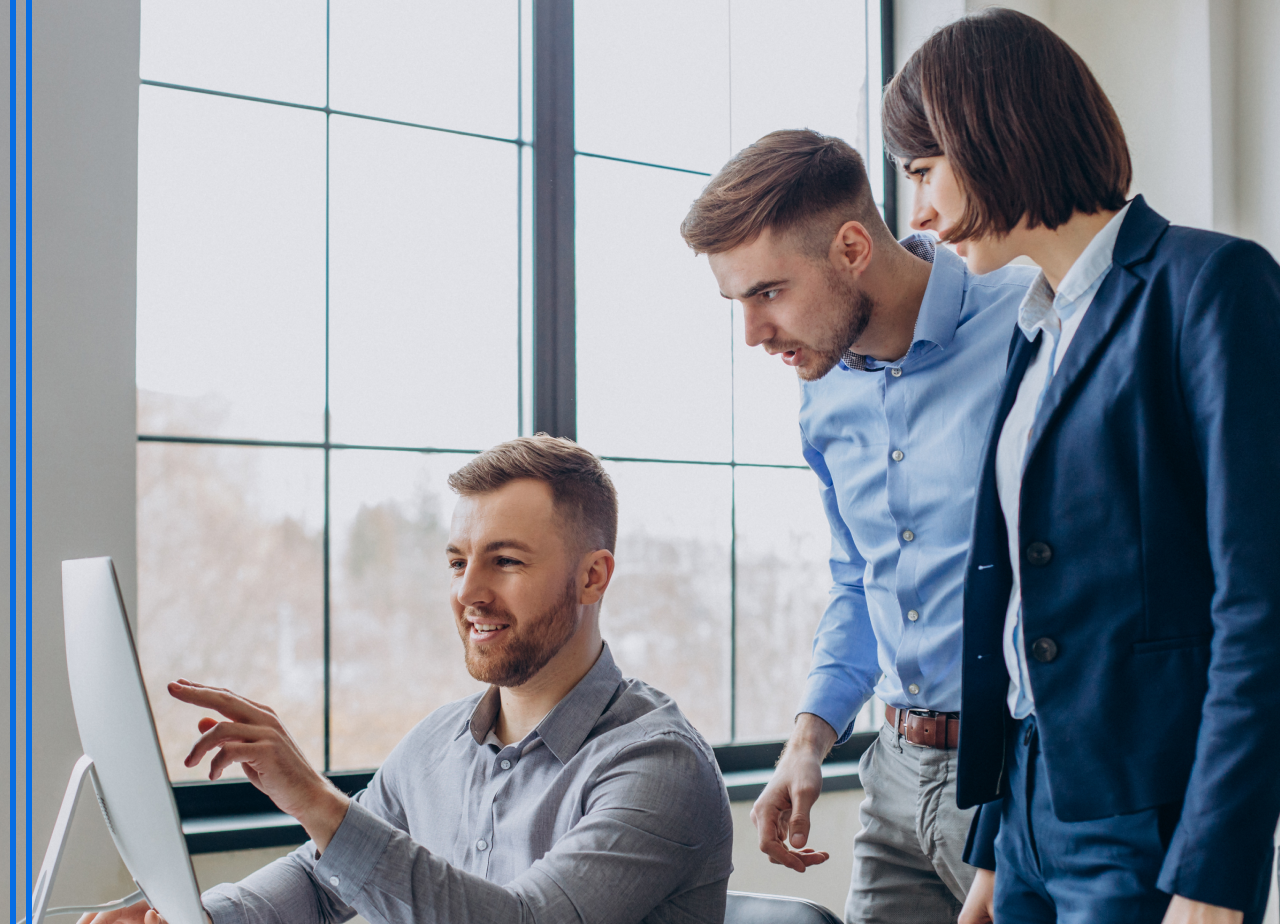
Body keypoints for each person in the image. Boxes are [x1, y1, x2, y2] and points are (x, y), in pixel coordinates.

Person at [882, 10, 1280, 924]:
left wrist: (1215, 872)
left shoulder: (1209, 286)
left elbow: (1259, 605)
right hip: (1027, 810)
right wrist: (993, 851)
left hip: (1149, 819)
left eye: (922, 171)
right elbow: (1028, 619)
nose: (920, 214)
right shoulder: (1035, 332)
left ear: (993, 130)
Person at [84, 435, 734, 924]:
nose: (469, 592)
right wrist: (192, 920)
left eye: (504, 561)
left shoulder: (657, 765)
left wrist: (316, 800)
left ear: (592, 576)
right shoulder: (438, 744)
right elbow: (321, 884)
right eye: (457, 562)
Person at [681, 129, 1034, 923]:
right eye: (737, 302)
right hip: (894, 772)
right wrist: (808, 740)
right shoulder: (823, 392)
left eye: (767, 292)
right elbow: (861, 580)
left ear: (850, 247)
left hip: (1021, 768)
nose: (753, 334)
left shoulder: (1027, 320)